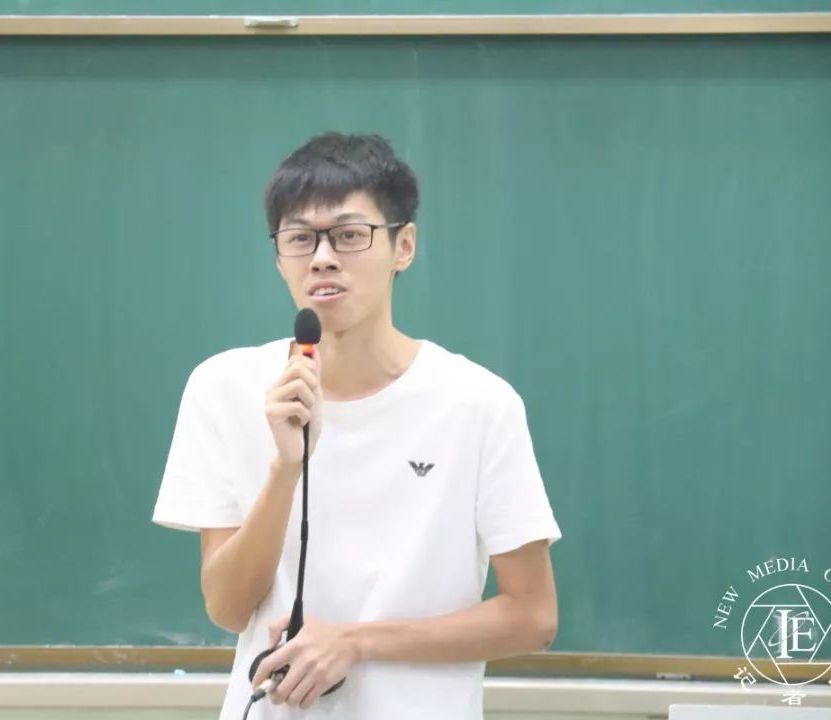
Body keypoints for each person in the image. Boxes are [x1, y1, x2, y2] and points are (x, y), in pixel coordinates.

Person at [152, 132, 561, 719]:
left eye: (349, 235)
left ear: (403, 246)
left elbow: (533, 616)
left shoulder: (479, 403)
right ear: (279, 258)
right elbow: (228, 607)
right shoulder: (223, 387)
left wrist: (355, 642)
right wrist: (286, 468)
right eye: (300, 238)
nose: (322, 258)